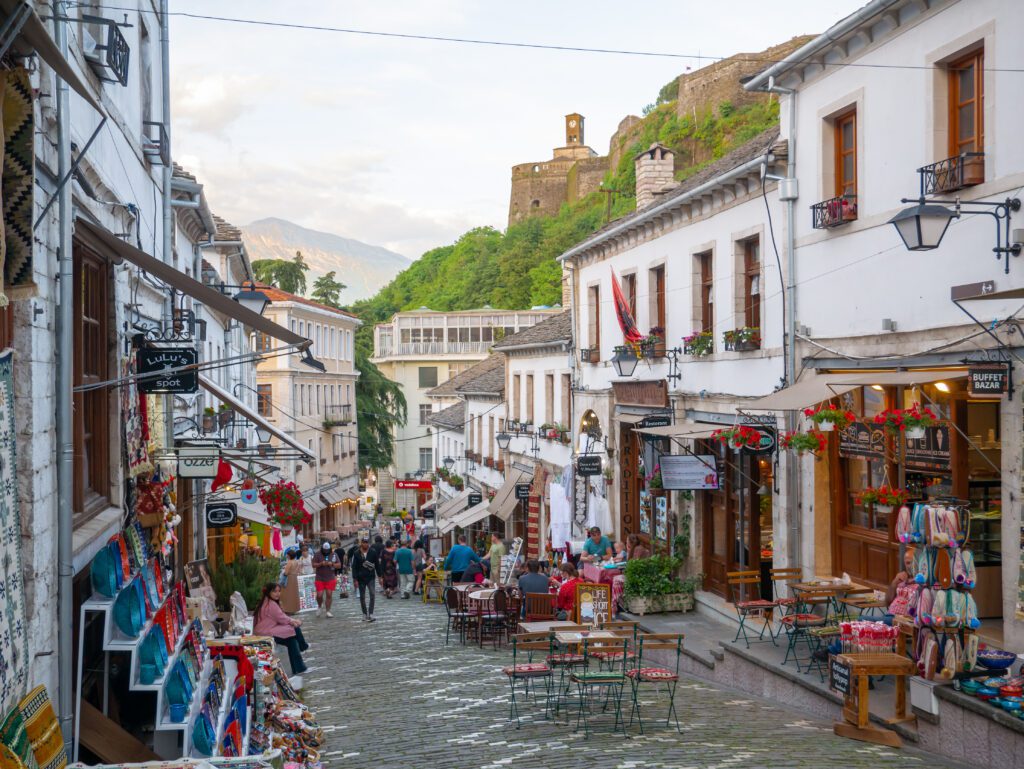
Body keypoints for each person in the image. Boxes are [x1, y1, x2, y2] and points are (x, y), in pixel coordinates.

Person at [253, 583, 308, 686]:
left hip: (267, 629)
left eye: (279, 591)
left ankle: (300, 665)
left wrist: (292, 621)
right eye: (275, 591)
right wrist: (294, 621)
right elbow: (282, 618)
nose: (278, 594)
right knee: (294, 631)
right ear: (269, 592)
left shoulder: (267, 602)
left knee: (292, 638)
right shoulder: (271, 604)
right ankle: (303, 650)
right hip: (266, 632)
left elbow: (281, 617)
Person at [883, 547, 919, 625]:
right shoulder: (901, 579)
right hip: (890, 616)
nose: (911, 566)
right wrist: (895, 582)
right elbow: (887, 601)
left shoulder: (922, 583)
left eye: (913, 562)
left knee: (862, 619)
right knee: (862, 621)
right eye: (908, 563)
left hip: (905, 620)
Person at [351, 538, 379, 622]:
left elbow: (377, 564)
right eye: (364, 543)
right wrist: (355, 579)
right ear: (361, 543)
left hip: (371, 577)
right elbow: (354, 567)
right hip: (361, 578)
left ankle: (370, 613)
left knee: (372, 594)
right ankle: (364, 613)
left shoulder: (373, 552)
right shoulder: (356, 553)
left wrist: (380, 576)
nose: (365, 544)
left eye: (367, 543)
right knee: (362, 596)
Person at [312, 542, 340, 617]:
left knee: (329, 594)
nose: (326, 552)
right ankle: (319, 606)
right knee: (319, 595)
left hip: (330, 577)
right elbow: (313, 564)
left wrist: (332, 564)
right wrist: (321, 564)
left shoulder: (334, 554)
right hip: (319, 578)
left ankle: (328, 611)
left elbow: (339, 565)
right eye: (324, 550)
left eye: (327, 550)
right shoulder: (317, 554)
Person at [280, 549, 302, 614]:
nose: (286, 555)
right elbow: (298, 570)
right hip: (294, 578)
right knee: (294, 594)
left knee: (286, 595)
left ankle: (287, 609)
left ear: (289, 555)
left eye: (287, 554)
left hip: (289, 579)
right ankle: (294, 608)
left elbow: (286, 572)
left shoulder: (289, 562)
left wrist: (283, 572)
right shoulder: (296, 561)